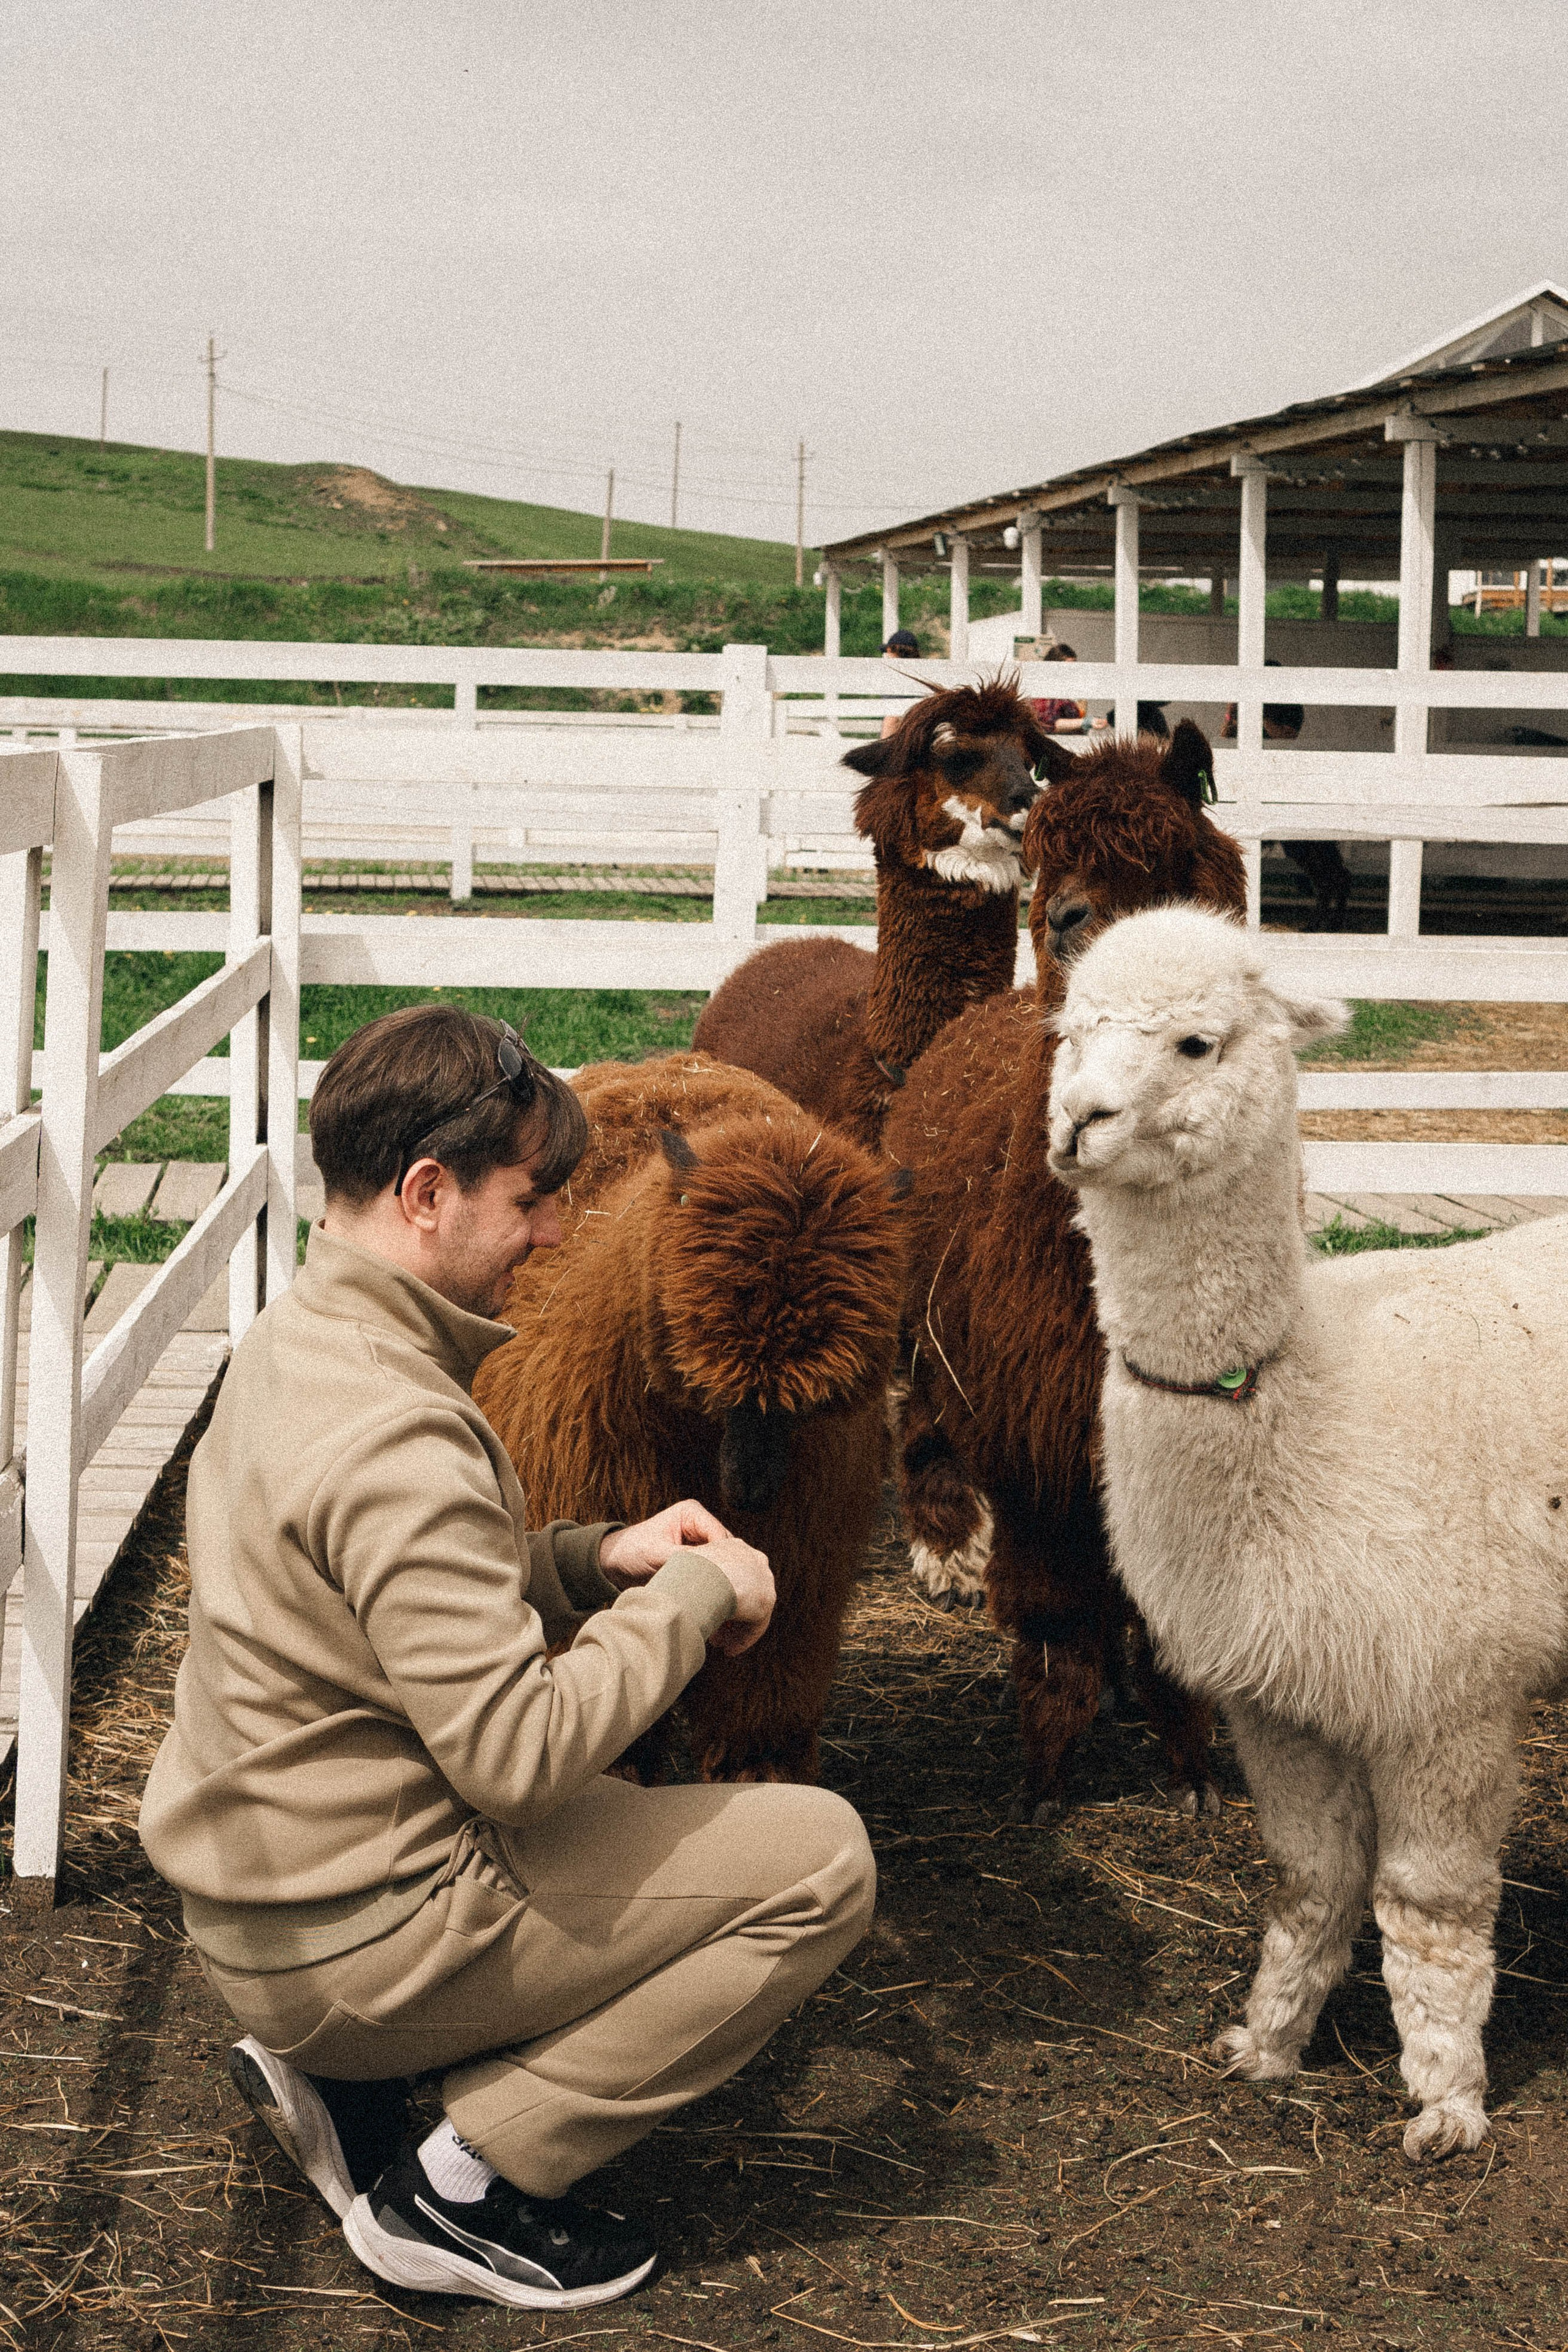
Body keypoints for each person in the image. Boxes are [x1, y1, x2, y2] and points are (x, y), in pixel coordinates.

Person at [139, 1005, 875, 2312]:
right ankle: (467, 2184)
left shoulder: (301, 1345)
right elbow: (518, 1757)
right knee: (817, 1862)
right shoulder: (402, 1435)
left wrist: (593, 1562)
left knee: (633, 1821)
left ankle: (346, 2075)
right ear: (429, 1192)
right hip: (359, 1937)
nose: (551, 1230)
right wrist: (696, 1594)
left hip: (265, 1898)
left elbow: (376, 1602)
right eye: (532, 1199)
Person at [1030, 641, 1110, 736]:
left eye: (1075, 668)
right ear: (1053, 669)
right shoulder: (1044, 692)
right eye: (1068, 669)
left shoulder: (1067, 692)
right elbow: (1046, 724)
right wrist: (1085, 723)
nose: (1073, 673)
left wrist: (1086, 724)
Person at [880, 627, 921, 736]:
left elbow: (892, 720)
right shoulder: (918, 678)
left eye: (889, 653)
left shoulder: (896, 682)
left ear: (892, 651)